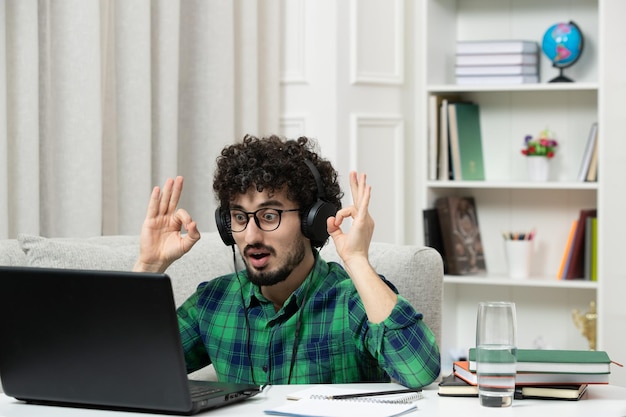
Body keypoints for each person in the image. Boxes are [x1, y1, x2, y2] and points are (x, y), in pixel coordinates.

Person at [133, 134, 440, 388]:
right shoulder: (213, 302)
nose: (251, 235)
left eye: (269, 216)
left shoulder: (353, 300)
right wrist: (148, 267)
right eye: (239, 217)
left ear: (313, 221)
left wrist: (357, 260)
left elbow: (419, 371)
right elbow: (132, 368)